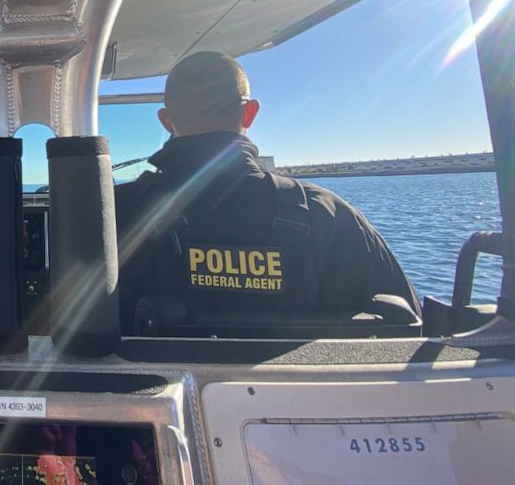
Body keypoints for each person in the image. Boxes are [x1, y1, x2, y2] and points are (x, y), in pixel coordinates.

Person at [115, 51, 419, 333]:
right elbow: (408, 324)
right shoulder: (328, 215)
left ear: (166, 121)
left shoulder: (113, 213)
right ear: (250, 113)